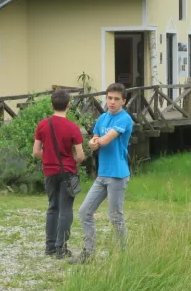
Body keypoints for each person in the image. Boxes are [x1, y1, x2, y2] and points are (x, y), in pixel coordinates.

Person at [71, 83, 133, 265]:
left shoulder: (125, 119)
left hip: (118, 174)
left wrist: (95, 142)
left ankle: (124, 256)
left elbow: (105, 140)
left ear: (123, 101)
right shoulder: (103, 118)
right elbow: (94, 140)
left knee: (115, 216)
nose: (112, 102)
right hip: (102, 174)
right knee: (84, 212)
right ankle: (88, 253)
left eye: (116, 99)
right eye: (109, 98)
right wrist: (92, 142)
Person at [32, 89, 85, 259]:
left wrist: (49, 157)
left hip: (49, 172)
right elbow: (81, 155)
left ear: (51, 105)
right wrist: (70, 161)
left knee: (52, 207)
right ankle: (61, 247)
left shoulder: (42, 125)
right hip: (67, 172)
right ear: (69, 104)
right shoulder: (73, 127)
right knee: (66, 209)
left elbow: (36, 151)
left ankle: (50, 246)